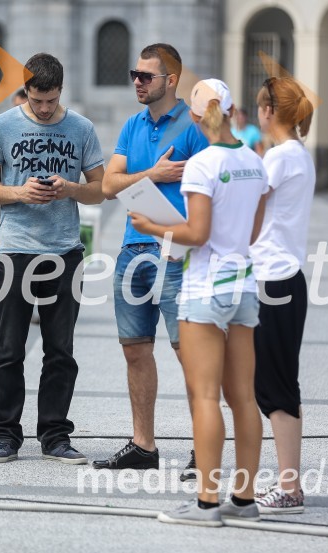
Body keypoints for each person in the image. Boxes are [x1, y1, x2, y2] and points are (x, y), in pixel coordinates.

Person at [130, 79, 267, 526]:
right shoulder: (253, 161)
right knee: (243, 398)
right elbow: (251, 233)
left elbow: (197, 234)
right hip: (244, 287)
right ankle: (243, 498)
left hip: (205, 289)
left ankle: (207, 501)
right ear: (230, 111)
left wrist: (151, 226)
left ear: (194, 116)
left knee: (205, 396)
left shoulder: (203, 164)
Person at [0, 53, 105, 464]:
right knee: (9, 348)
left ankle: (55, 435)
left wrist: (70, 189)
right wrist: (18, 193)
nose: (44, 109)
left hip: (64, 250)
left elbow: (100, 189)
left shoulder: (81, 128)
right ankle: (5, 435)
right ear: (26, 91)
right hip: (13, 249)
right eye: (36, 100)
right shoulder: (4, 124)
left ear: (61, 90)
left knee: (60, 350)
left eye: (50, 101)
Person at [95, 44, 207, 476]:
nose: (138, 82)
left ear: (171, 80)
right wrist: (153, 175)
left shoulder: (194, 127)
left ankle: (204, 448)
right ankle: (144, 445)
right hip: (132, 252)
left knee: (190, 354)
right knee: (135, 351)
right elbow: (109, 184)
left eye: (146, 76)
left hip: (177, 253)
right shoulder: (132, 124)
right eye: (134, 75)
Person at [251, 76, 316, 514]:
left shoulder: (280, 159)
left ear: (268, 112)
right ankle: (288, 484)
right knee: (277, 383)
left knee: (275, 386)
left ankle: (290, 487)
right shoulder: (299, 157)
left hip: (273, 281)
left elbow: (245, 203)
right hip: (285, 279)